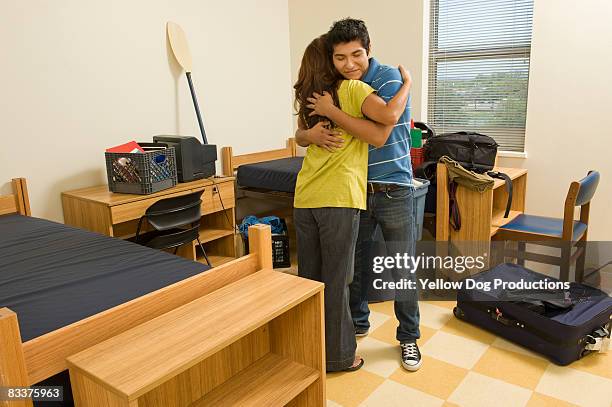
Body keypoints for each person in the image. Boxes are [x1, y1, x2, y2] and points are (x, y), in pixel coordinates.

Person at [302, 18, 422, 371]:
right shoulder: (337, 86)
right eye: (340, 57)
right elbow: (302, 129)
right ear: (332, 59)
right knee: (353, 269)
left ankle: (409, 337)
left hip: (394, 187)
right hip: (354, 190)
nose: (350, 63)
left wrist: (409, 83)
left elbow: (384, 127)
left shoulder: (385, 77)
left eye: (356, 55)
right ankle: (356, 324)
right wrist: (309, 135)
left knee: (402, 268)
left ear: (368, 50)